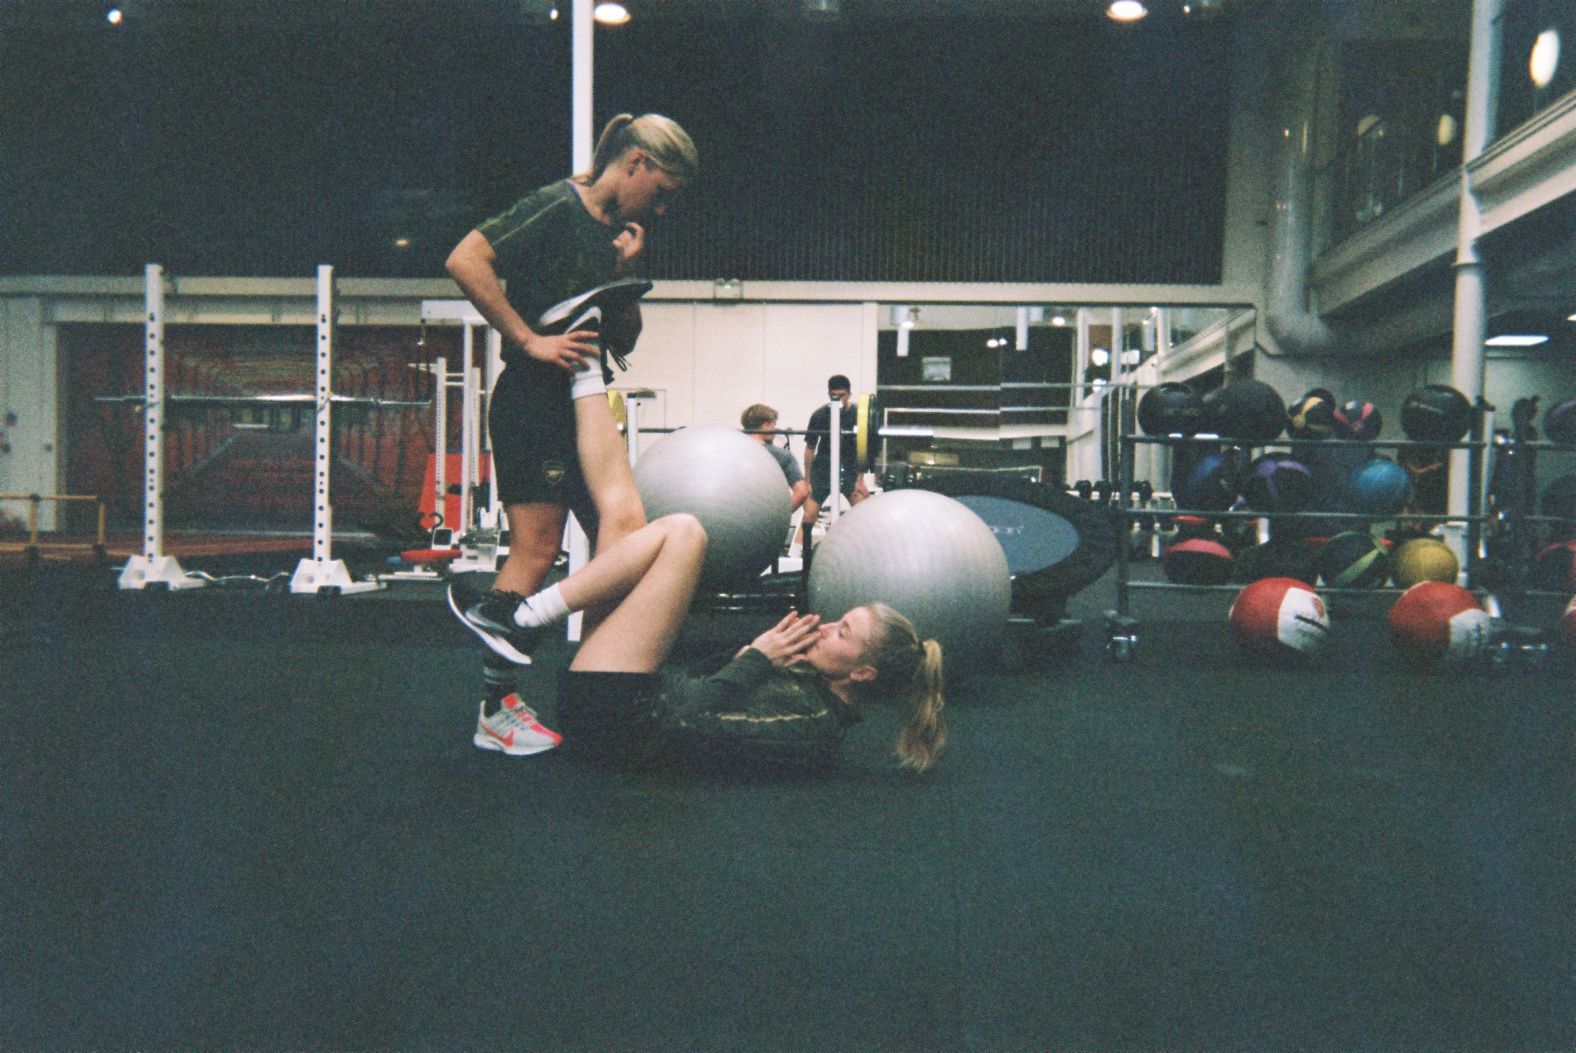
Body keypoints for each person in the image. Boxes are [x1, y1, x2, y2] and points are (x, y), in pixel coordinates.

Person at [442, 112, 699, 748]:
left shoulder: (620, 233)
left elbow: (625, 337)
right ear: (635, 162)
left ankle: (601, 687)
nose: (661, 208)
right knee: (537, 549)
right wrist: (527, 338)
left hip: (586, 404)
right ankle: (495, 713)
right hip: (534, 399)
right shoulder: (557, 206)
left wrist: (628, 277)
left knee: (622, 543)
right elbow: (465, 258)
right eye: (661, 191)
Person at [448, 514, 947, 772]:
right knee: (621, 515)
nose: (827, 625)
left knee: (686, 532)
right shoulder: (809, 678)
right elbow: (703, 680)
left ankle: (525, 619)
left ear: (863, 673)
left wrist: (755, 658)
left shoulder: (811, 728)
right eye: (839, 619)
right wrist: (749, 655)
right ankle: (585, 366)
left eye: (844, 632)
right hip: (630, 699)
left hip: (615, 723)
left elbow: (682, 717)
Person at [798, 374, 870, 550]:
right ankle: (796, 556)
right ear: (829, 394)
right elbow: (810, 449)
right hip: (822, 469)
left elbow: (865, 449)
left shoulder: (859, 416)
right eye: (834, 396)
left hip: (850, 468)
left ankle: (863, 552)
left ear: (849, 394)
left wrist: (860, 479)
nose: (838, 399)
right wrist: (807, 481)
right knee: (809, 516)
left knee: (864, 514)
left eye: (842, 395)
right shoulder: (819, 416)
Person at [741, 403, 809, 514]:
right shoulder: (782, 456)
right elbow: (802, 492)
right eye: (773, 425)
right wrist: (778, 518)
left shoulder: (730, 450)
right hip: (764, 522)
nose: (775, 431)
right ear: (766, 425)